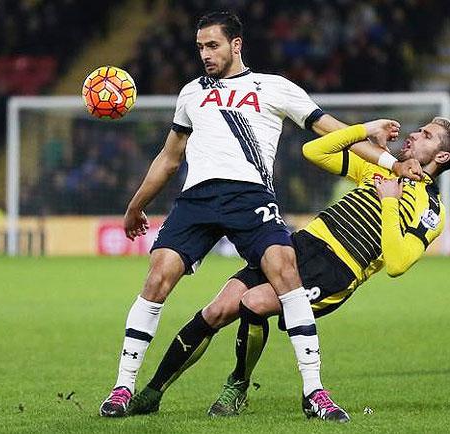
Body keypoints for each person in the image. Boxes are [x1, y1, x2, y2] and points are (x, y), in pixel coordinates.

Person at [99, 11, 419, 421]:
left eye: (212, 45)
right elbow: (169, 157)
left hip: (249, 196)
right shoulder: (191, 92)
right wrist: (135, 205)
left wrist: (390, 162)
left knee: (286, 270)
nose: (205, 54)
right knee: (158, 277)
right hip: (196, 199)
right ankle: (122, 387)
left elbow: (329, 131)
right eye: (200, 47)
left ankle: (315, 392)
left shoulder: (274, 87)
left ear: (236, 45)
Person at [125, 117, 450, 422]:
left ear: (441, 157)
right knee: (218, 308)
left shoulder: (431, 209)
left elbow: (397, 263)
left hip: (336, 268)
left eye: (427, 135)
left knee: (253, 303)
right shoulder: (380, 169)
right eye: (420, 129)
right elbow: (315, 150)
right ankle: (153, 392)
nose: (415, 135)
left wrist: (390, 202)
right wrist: (364, 131)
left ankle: (237, 385)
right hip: (300, 246)